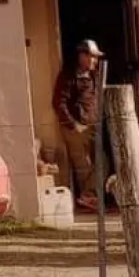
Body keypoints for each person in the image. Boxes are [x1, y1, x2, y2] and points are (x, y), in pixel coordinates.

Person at [52, 39, 104, 211]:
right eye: (91, 57)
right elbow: (59, 103)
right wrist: (73, 125)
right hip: (75, 126)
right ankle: (88, 196)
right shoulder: (68, 76)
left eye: (96, 58)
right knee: (84, 165)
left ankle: (89, 195)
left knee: (102, 160)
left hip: (92, 124)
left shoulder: (95, 76)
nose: (94, 61)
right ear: (81, 56)